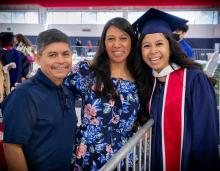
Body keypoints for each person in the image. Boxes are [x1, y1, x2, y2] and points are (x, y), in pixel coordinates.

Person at [133, 8, 220, 171]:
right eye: (146, 45)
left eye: (159, 43)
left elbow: (206, 138)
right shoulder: (150, 82)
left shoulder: (194, 79)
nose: (153, 51)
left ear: (170, 47)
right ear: (141, 51)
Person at [64, 17, 143, 170]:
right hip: (88, 154)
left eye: (123, 38)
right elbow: (59, 96)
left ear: (132, 42)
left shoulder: (141, 78)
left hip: (124, 156)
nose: (117, 44)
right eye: (111, 38)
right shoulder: (87, 72)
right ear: (104, 43)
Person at [2, 29, 77, 171]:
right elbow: (12, 147)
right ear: (37, 58)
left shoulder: (67, 91)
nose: (60, 60)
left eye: (65, 54)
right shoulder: (24, 95)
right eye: (52, 55)